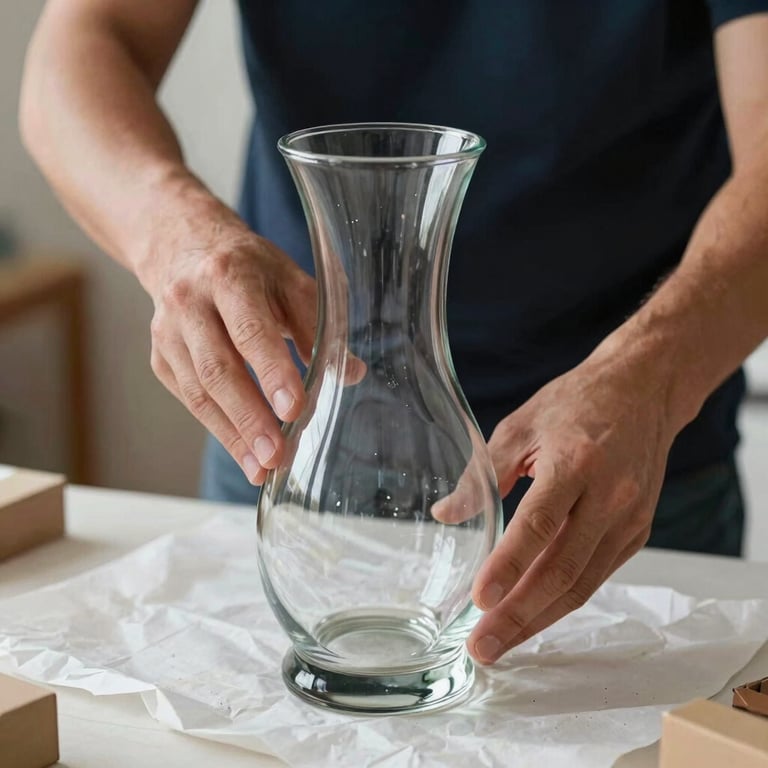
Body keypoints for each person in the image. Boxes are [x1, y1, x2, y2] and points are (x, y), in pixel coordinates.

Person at [19, 1, 768, 666]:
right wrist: (173, 233)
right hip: (290, 447)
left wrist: (651, 375)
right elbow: (85, 39)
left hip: (613, 473)